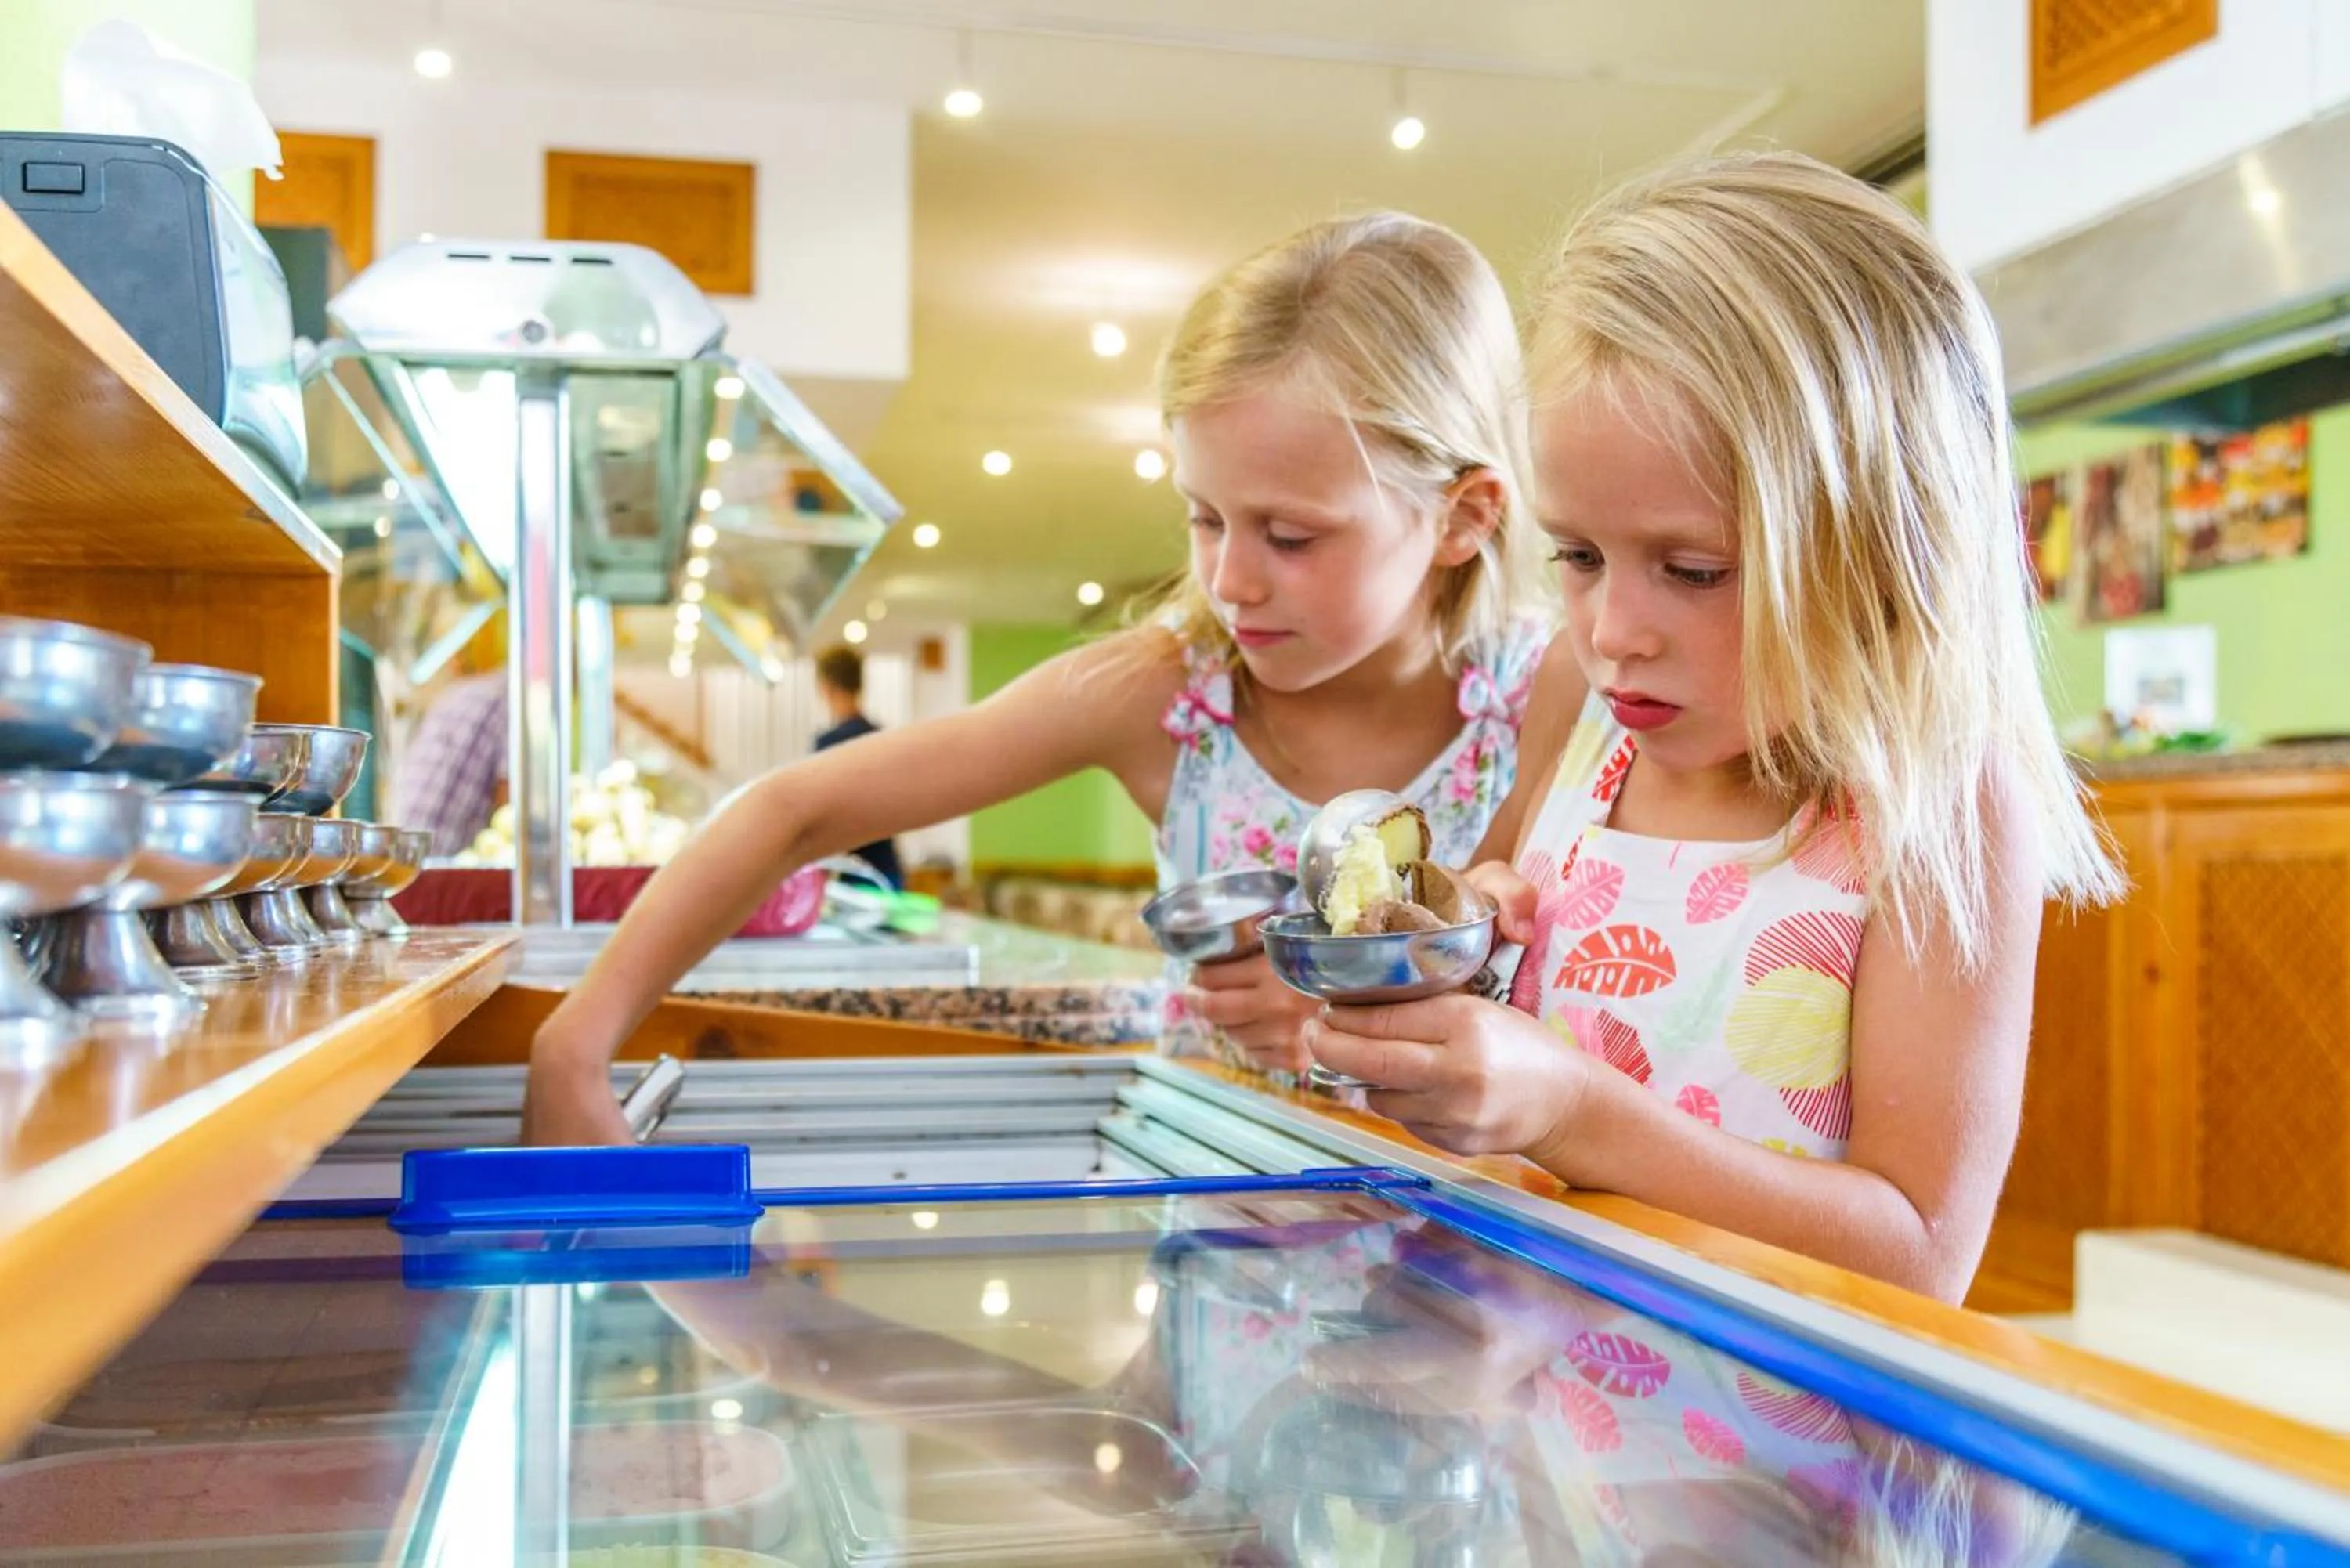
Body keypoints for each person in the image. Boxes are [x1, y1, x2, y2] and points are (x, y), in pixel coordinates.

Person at [522, 210, 1574, 1143]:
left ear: (1463, 517)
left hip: (1473, 1254)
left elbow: (1534, 1009)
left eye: (1291, 535)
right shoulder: (1169, 690)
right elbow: (796, 810)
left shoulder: (1559, 691)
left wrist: (1340, 1026)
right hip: (1218, 1233)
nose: (1230, 578)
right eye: (1204, 517)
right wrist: (576, 1039)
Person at [1304, 151, 2124, 1304]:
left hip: (1774, 1462)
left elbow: (1920, 1249)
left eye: (1693, 569)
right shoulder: (1579, 708)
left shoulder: (1942, 800)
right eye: (1579, 556)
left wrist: (1580, 1111)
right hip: (1547, 1432)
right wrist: (1465, 936)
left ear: (1887, 549)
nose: (1613, 632)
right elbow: (1501, 895)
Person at [809, 643, 905, 888]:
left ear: (825, 686)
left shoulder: (828, 743)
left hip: (849, 874)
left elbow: (821, 815)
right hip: (886, 870)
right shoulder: (881, 737)